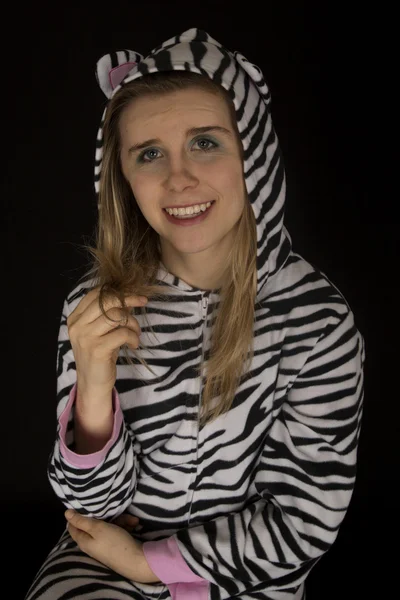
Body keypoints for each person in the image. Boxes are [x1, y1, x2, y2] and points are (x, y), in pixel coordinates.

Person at [25, 27, 365, 600]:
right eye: (150, 153)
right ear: (124, 177)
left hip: (245, 575)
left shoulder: (319, 324)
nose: (179, 178)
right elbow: (91, 511)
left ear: (252, 154)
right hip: (103, 561)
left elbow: (303, 519)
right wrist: (93, 384)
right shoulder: (94, 307)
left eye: (206, 142)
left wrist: (150, 564)